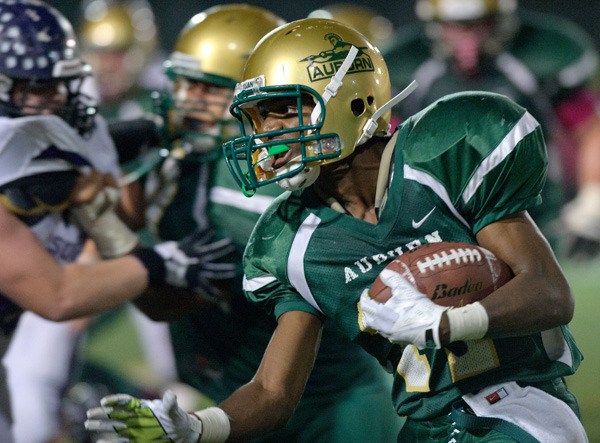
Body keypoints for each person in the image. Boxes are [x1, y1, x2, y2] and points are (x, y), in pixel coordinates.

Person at [84, 18, 588, 443]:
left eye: (284, 110)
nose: (268, 135)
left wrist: (449, 324)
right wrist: (197, 427)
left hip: (520, 407)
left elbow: (549, 292)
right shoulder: (292, 239)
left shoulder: (442, 156)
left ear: (350, 100)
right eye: (259, 119)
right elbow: (272, 392)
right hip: (427, 425)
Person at [140, 4, 402, 442]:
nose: (186, 102)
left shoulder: (267, 202)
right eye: (183, 84)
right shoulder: (197, 177)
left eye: (205, 88)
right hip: (242, 395)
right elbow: (269, 391)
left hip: (332, 404)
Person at [0, 1, 232, 441]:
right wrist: (161, 262)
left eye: (58, 85)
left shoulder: (36, 145)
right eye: (35, 88)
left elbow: (95, 146)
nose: (54, 100)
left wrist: (166, 127)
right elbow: (58, 296)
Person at [383, 0, 600, 259]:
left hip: (531, 215)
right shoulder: (406, 63)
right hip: (436, 220)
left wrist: (592, 196)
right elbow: (386, 147)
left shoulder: (535, 53)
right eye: (456, 27)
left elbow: (589, 129)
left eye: (479, 25)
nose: (468, 40)